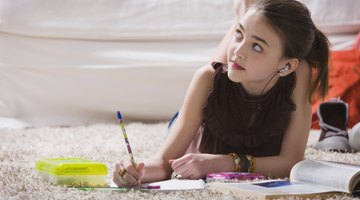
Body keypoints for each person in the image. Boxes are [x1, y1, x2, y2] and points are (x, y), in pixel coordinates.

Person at [113, 0, 330, 187]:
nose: (238, 50)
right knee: (216, 73)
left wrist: (226, 162)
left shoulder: (298, 73)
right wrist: (136, 171)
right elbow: (164, 162)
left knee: (235, 65)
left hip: (250, 100)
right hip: (199, 119)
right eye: (239, 33)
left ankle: (244, 16)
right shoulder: (206, 80)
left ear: (287, 66)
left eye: (257, 47)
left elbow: (291, 162)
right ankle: (243, 15)